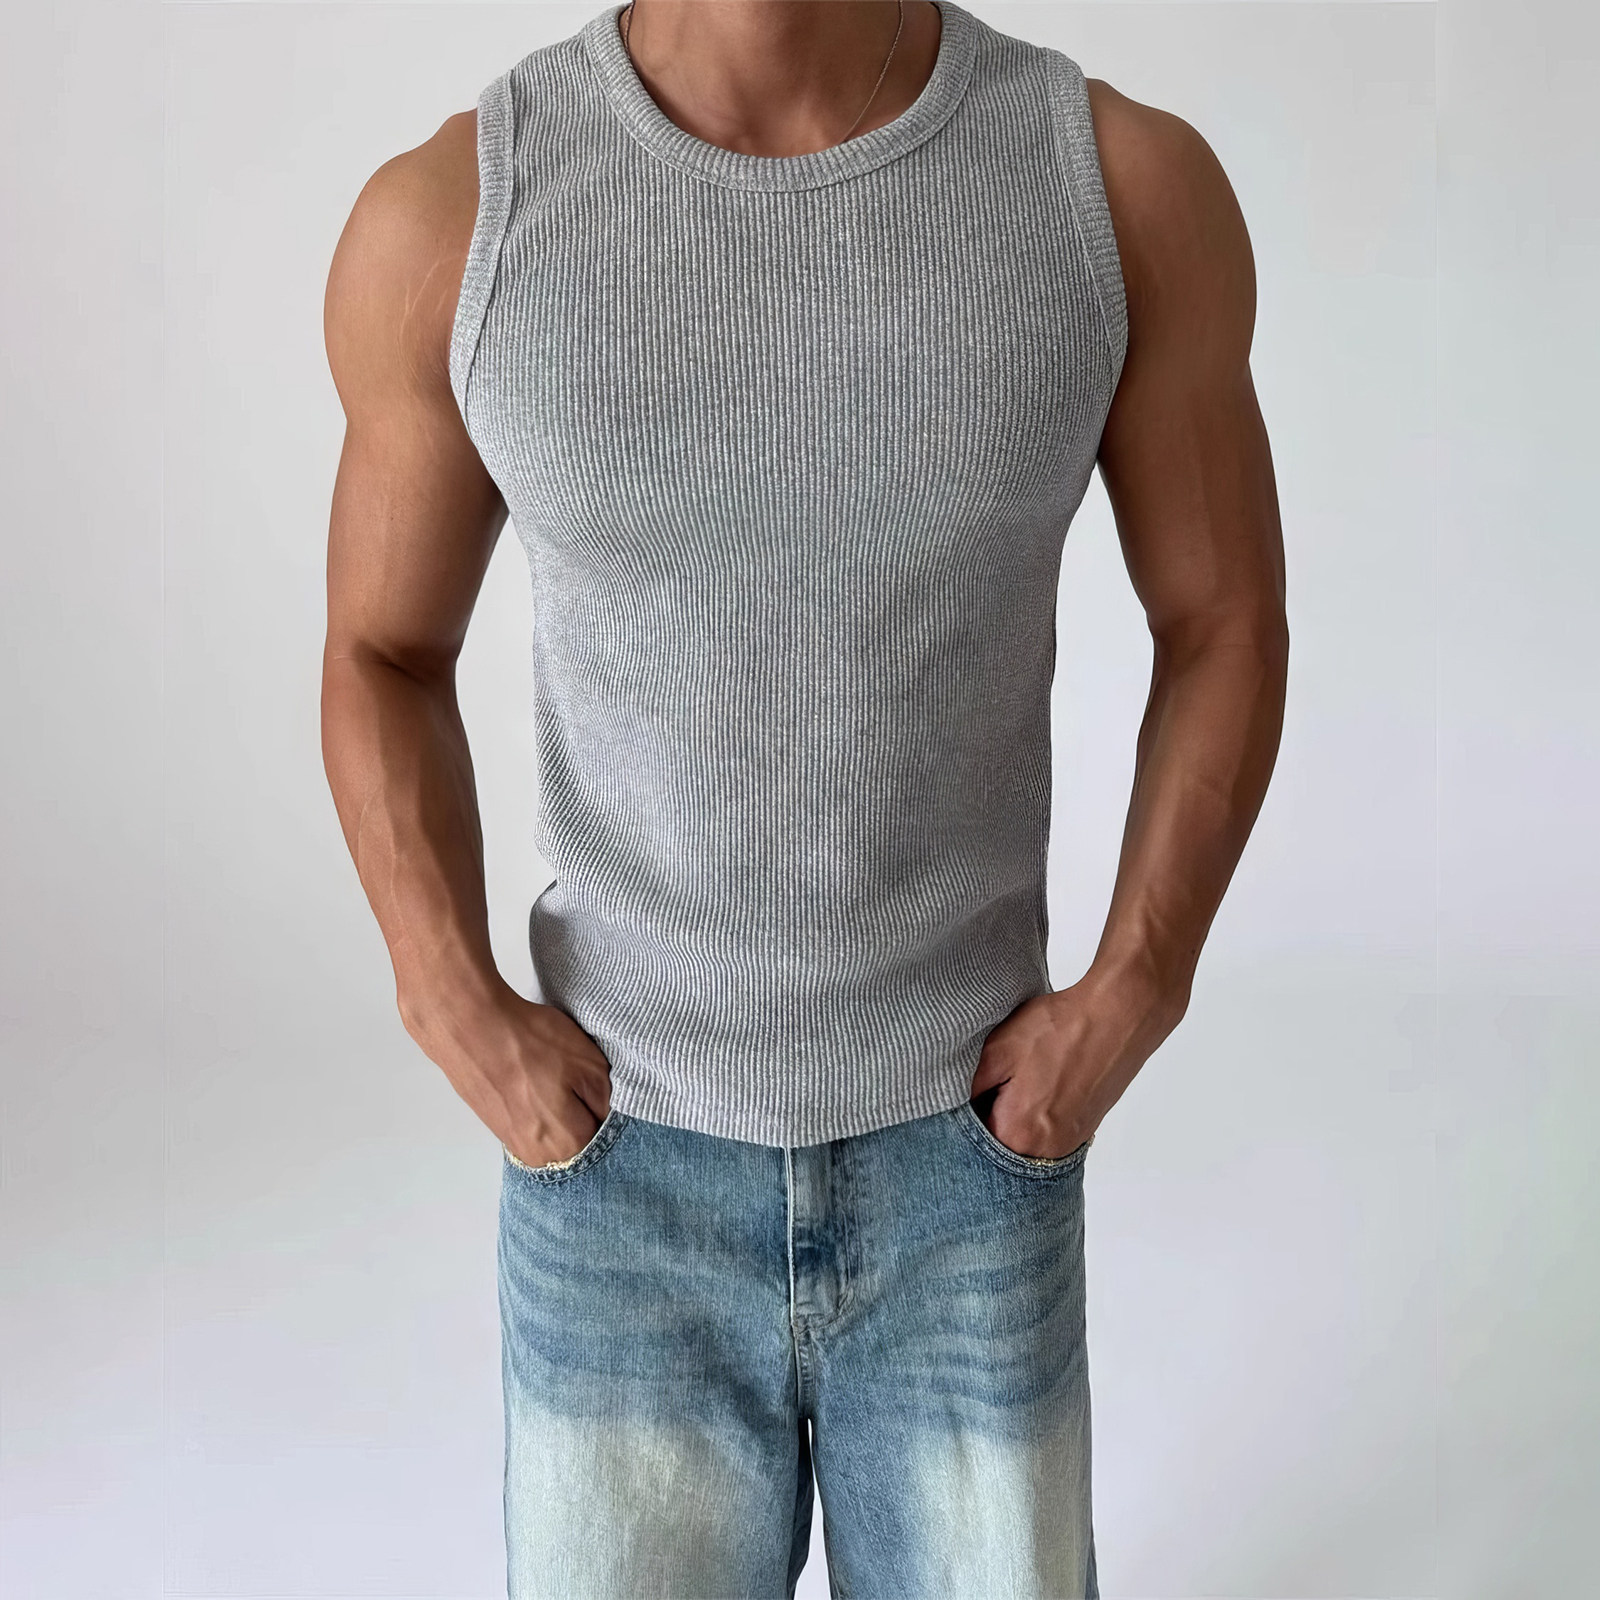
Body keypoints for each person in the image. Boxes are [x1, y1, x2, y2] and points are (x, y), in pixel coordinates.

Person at [320, 0, 1287, 1594]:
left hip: (969, 1157)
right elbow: (379, 648)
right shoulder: (459, 218)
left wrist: (1136, 990)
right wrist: (448, 1000)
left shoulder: (1110, 188)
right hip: (619, 1164)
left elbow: (1225, 620)